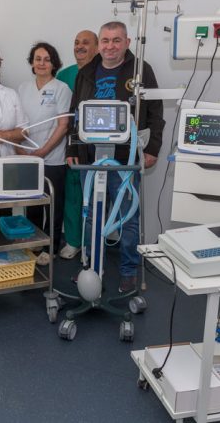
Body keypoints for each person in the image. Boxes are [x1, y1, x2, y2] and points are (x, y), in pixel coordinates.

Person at [66, 21, 164, 294]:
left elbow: (155, 112)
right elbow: (75, 113)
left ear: (127, 42)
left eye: (116, 40)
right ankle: (90, 267)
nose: (110, 46)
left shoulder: (140, 71)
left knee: (128, 217)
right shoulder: (86, 72)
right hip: (90, 155)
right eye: (105, 40)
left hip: (124, 156)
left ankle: (128, 271)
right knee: (91, 215)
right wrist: (72, 149)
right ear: (99, 44)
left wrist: (152, 148)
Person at [17, 42, 72, 265]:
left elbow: (63, 125)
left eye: (47, 59)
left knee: (53, 204)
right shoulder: (22, 88)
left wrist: (43, 151)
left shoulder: (61, 89)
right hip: (26, 156)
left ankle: (51, 247)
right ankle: (35, 243)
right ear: (32, 62)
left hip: (52, 158)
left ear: (54, 64)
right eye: (37, 59)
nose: (42, 63)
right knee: (32, 203)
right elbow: (17, 122)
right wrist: (19, 149)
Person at [56, 30, 99, 260]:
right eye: (76, 42)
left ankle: (94, 243)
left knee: (98, 196)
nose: (79, 46)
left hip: (100, 145)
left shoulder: (104, 71)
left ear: (97, 47)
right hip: (73, 143)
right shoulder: (65, 75)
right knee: (73, 194)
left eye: (85, 42)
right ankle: (74, 240)